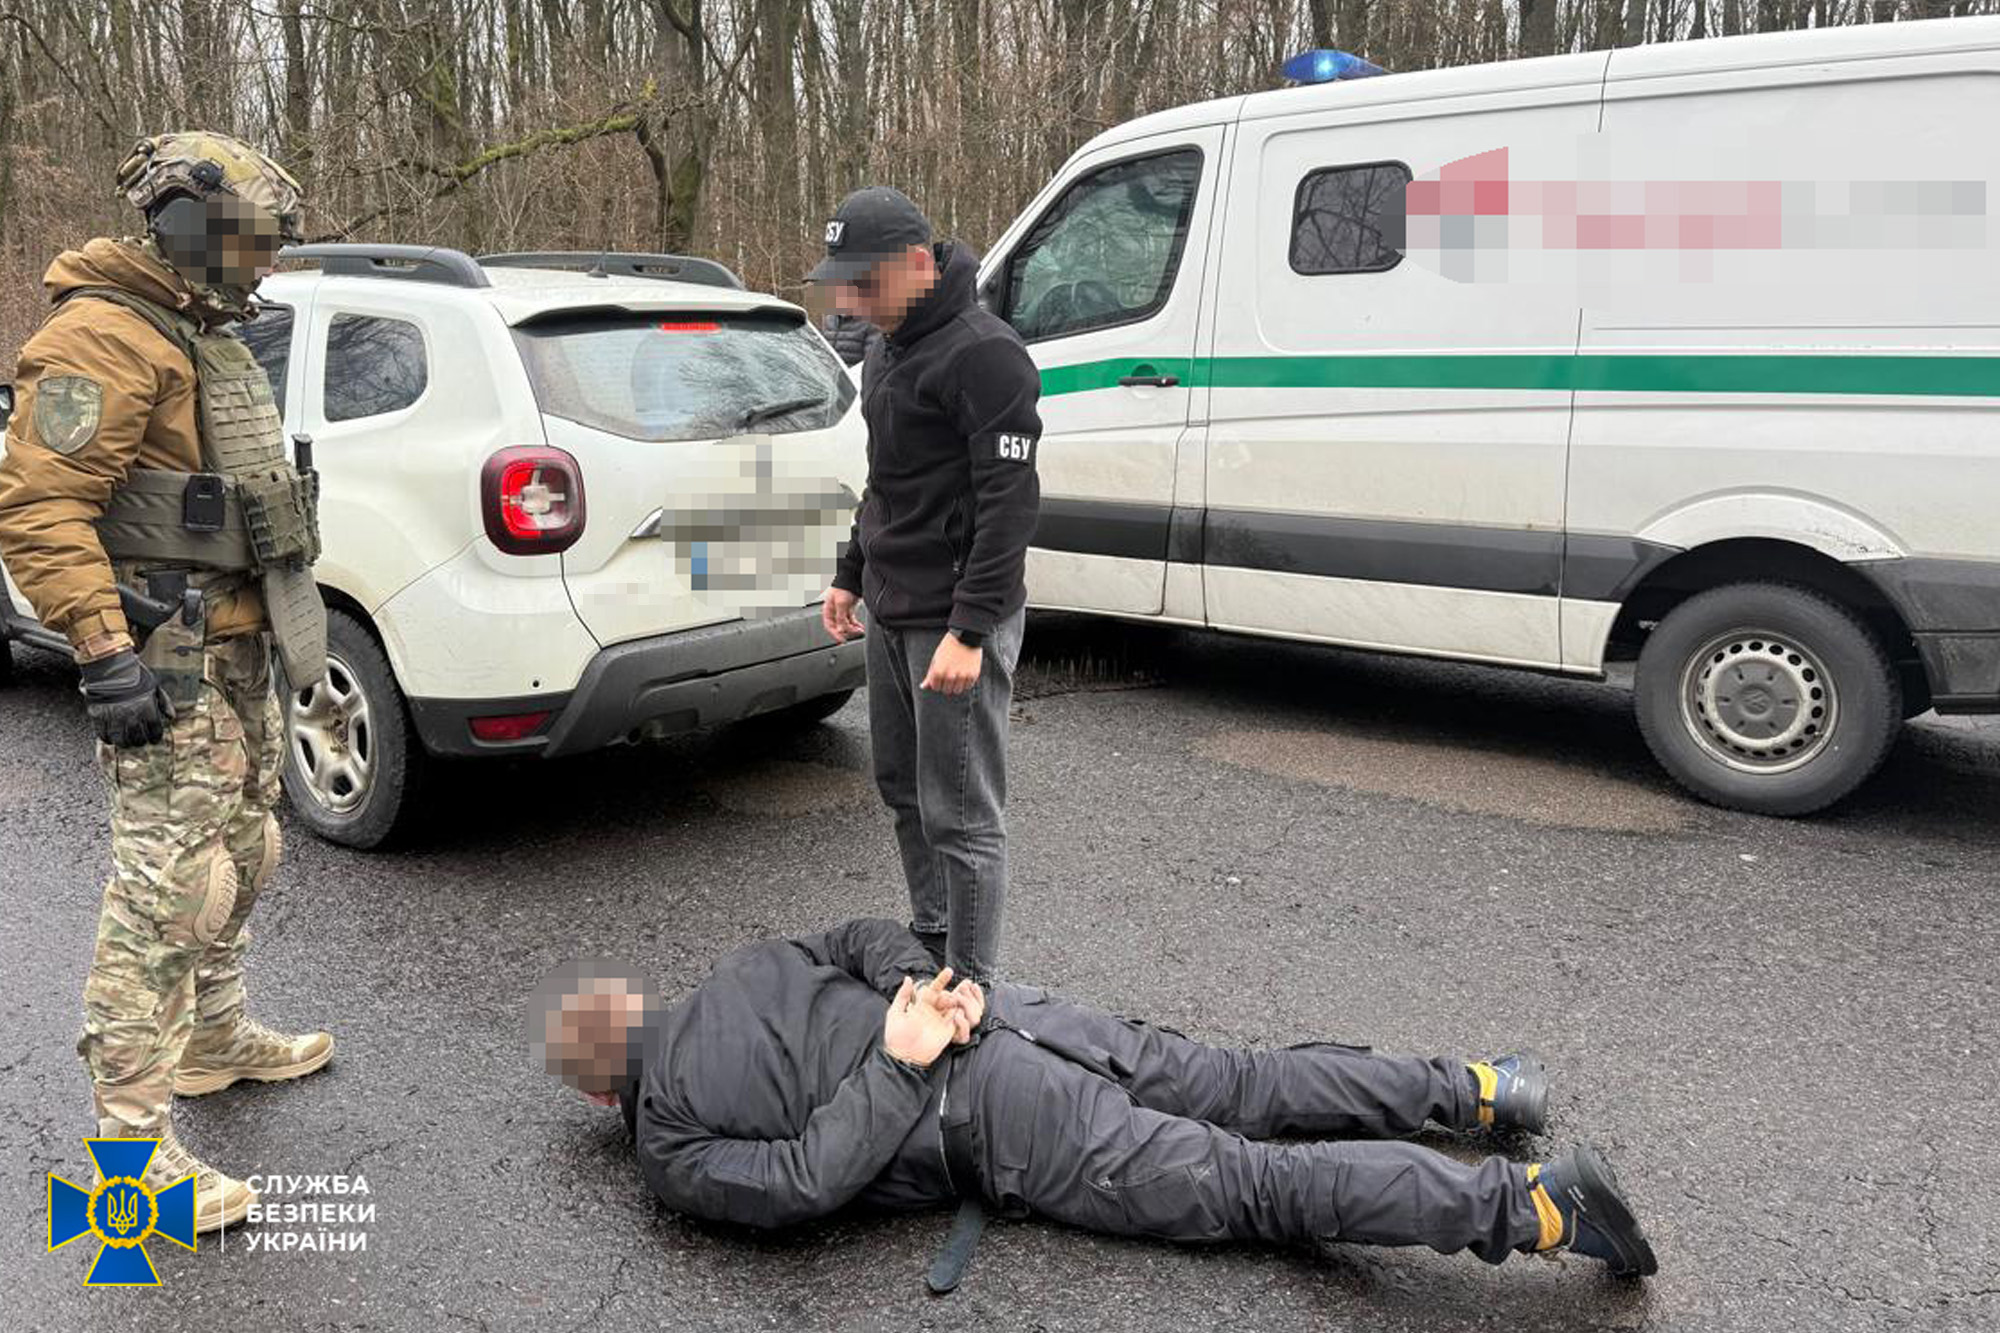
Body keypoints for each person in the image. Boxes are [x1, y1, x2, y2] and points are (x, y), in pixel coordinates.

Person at [530, 920, 1658, 1279]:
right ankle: (1482, 1088)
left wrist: (904, 1052)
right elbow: (864, 935)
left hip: (997, 1115)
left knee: (1254, 1184)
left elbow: (803, 1183)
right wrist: (927, 989)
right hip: (1016, 1020)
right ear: (634, 1004)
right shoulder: (741, 965)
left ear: (594, 1091)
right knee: (1246, 1079)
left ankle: (1536, 1208)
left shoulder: (667, 1144)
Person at [0, 131, 333, 1232]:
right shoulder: (101, 335)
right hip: (164, 661)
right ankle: (127, 1158)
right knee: (163, 896)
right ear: (192, 229)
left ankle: (214, 1041)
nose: (265, 263)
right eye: (254, 241)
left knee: (245, 852)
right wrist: (103, 652)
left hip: (237, 646)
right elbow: (40, 508)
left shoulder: (196, 333)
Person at [811, 186, 1043, 984]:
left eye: (865, 284)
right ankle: (935, 936)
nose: (850, 303)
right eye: (842, 285)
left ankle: (971, 988)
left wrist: (970, 630)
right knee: (902, 788)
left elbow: (1010, 507)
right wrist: (850, 572)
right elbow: (887, 480)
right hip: (891, 605)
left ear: (917, 263)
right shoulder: (887, 349)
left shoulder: (986, 354)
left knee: (962, 813)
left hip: (953, 618)